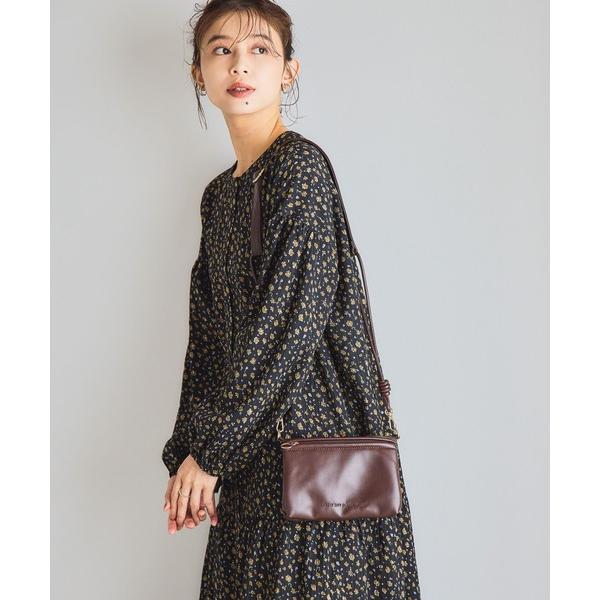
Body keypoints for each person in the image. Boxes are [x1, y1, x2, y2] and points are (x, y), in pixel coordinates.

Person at [161, 1, 422, 597]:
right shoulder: (218, 197)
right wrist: (190, 459)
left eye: (260, 49)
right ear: (199, 73)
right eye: (222, 50)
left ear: (289, 71)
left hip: (315, 461)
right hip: (248, 461)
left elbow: (290, 327)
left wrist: (211, 452)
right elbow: (209, 342)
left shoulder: (298, 168)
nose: (240, 64)